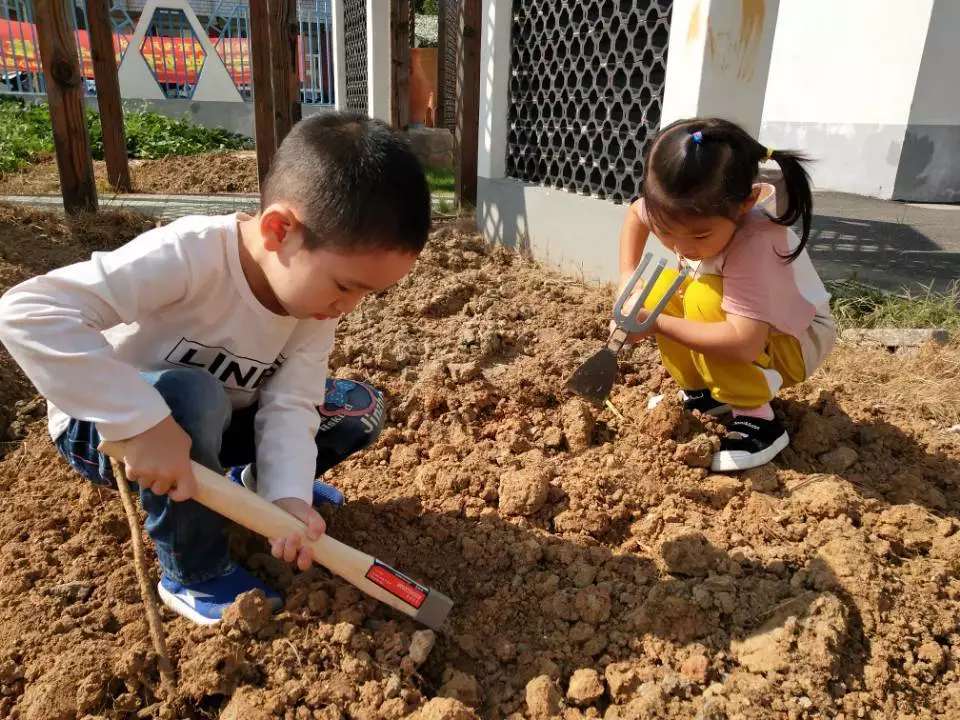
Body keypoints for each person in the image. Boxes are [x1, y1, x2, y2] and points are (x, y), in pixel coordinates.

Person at [0, 112, 431, 624]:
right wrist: (141, 423)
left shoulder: (310, 310)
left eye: (366, 293)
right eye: (344, 286)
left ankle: (251, 486)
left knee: (357, 408)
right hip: (109, 433)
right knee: (191, 393)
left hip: (210, 424)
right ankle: (192, 571)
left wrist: (286, 497)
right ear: (279, 230)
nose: (348, 306)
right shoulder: (189, 257)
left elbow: (291, 404)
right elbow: (28, 312)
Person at [617, 117, 835, 471]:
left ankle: (758, 419)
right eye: (666, 232)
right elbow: (636, 214)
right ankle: (702, 395)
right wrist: (629, 279)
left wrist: (657, 324)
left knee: (703, 297)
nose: (683, 247)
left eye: (700, 237)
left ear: (746, 203)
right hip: (748, 324)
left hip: (795, 339)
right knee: (656, 289)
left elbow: (744, 342)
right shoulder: (674, 205)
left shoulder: (755, 244)